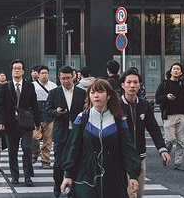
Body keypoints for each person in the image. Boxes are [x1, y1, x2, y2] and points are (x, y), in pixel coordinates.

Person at [60, 79, 141, 198]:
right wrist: (68, 175)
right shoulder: (82, 118)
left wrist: (133, 175)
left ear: (108, 95)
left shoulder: (118, 119)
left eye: (100, 92)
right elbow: (73, 147)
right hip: (86, 175)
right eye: (92, 93)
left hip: (113, 175)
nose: (96, 96)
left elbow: (127, 148)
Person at [120, 69, 171, 198]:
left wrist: (162, 148)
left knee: (138, 193)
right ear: (123, 85)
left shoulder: (145, 105)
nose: (132, 85)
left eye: (135, 82)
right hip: (120, 157)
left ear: (140, 85)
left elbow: (153, 128)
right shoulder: (116, 105)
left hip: (139, 156)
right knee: (126, 193)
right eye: (129, 82)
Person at [0, 59, 41, 187]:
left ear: (22, 71)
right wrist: (0, 121)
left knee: (27, 149)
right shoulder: (5, 86)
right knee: (12, 151)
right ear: (11, 71)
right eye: (14, 68)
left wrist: (38, 123)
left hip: (26, 123)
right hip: (10, 123)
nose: (17, 70)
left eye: (19, 68)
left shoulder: (29, 85)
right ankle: (15, 176)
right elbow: (0, 106)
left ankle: (28, 176)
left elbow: (34, 104)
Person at [46, 65, 86, 197]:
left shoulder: (82, 93)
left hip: (77, 132)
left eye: (68, 78)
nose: (66, 81)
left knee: (76, 161)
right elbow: (47, 111)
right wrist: (56, 112)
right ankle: (57, 184)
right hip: (60, 132)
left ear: (73, 77)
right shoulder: (54, 93)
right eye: (63, 78)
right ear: (59, 78)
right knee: (58, 163)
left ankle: (72, 189)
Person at [155, 62, 184, 171]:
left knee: (181, 141)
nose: (176, 70)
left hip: (182, 115)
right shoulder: (164, 84)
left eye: (178, 69)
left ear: (181, 72)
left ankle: (178, 163)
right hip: (169, 116)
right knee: (170, 140)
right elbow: (157, 98)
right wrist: (166, 96)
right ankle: (165, 155)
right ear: (171, 71)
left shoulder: (183, 84)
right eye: (174, 68)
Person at [32, 65, 57, 169]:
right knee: (34, 138)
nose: (44, 75)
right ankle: (35, 152)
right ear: (38, 74)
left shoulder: (53, 86)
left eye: (46, 73)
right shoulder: (32, 85)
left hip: (49, 117)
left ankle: (45, 159)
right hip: (36, 117)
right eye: (42, 73)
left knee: (48, 140)